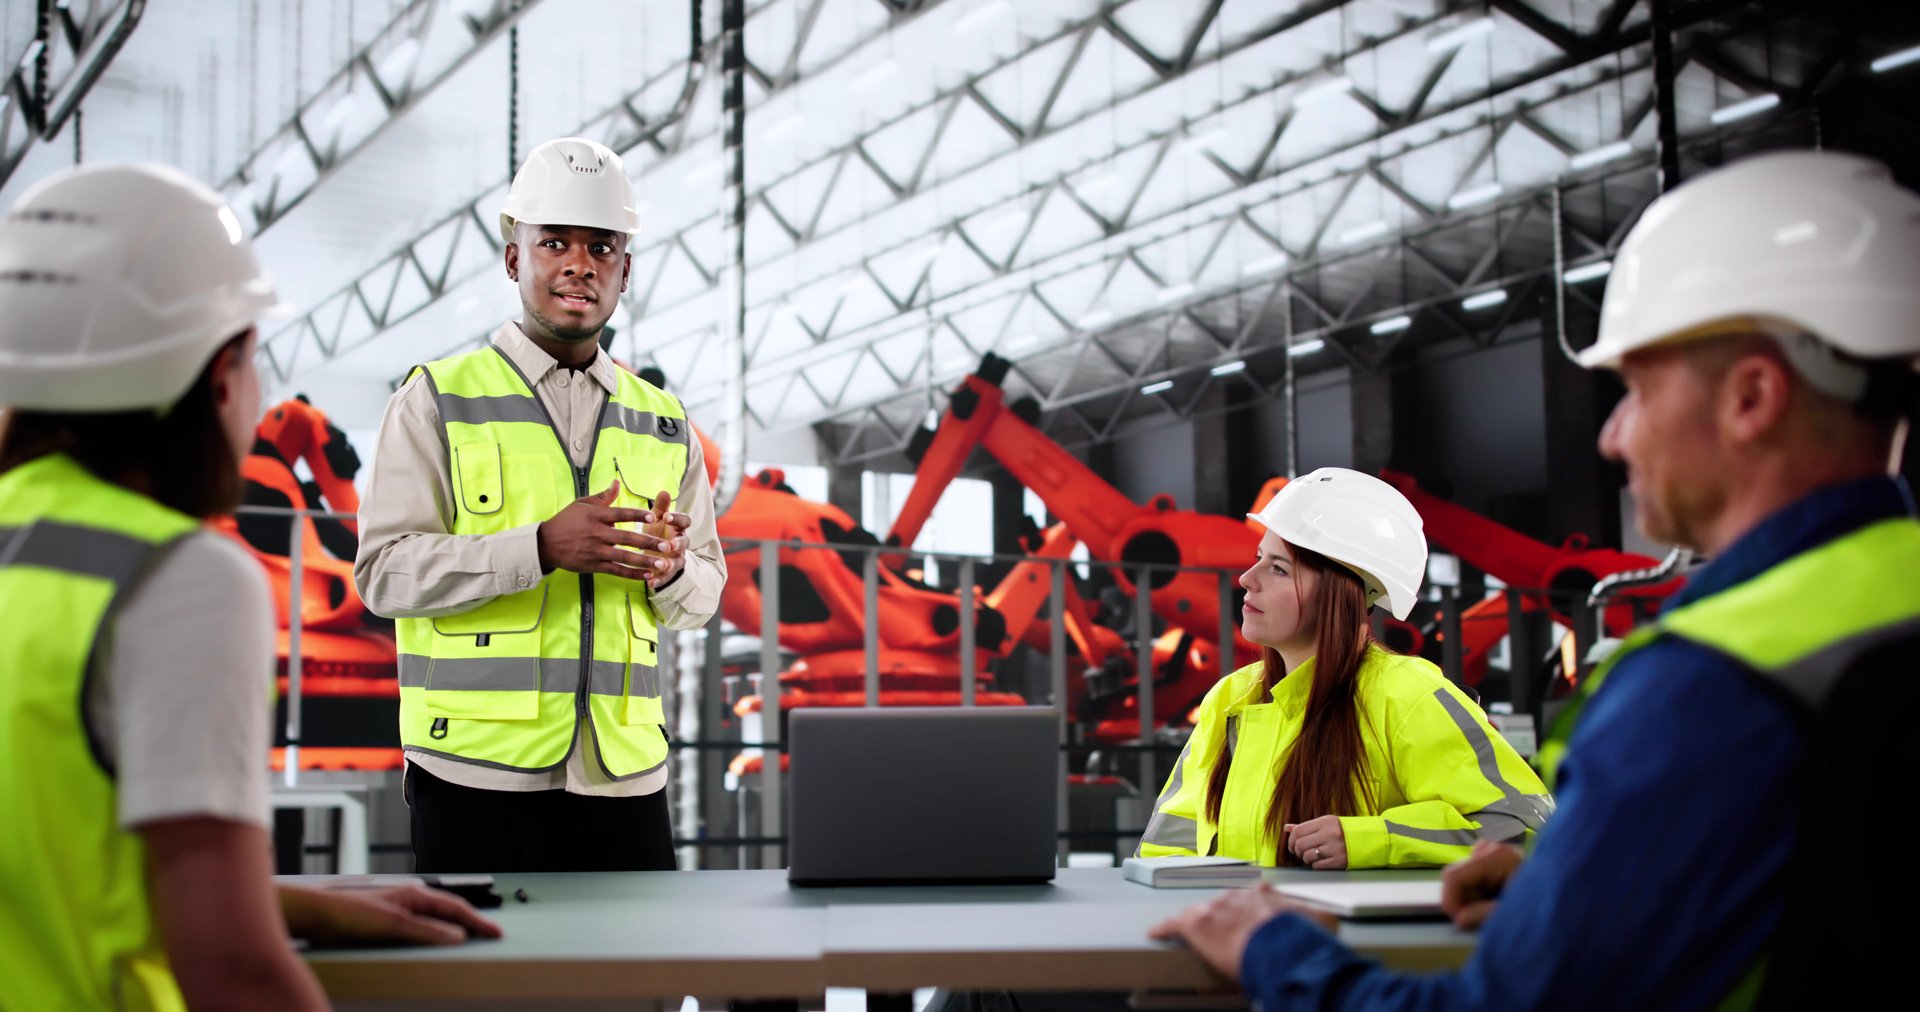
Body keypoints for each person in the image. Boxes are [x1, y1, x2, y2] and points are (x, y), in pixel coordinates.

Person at [1149, 151, 1920, 1008]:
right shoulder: (1871, 612)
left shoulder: (1712, 681)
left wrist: (1274, 952)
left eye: (1633, 389)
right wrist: (1573, 888)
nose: (1613, 436)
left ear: (1751, 398)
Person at [0, 163, 499, 1011]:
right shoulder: (175, 578)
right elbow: (231, 971)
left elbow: (58, 872)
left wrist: (306, 906)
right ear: (220, 372)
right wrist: (256, 921)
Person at [355, 136, 725, 873]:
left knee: (639, 991)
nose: (579, 263)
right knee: (488, 993)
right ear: (514, 259)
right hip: (475, 779)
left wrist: (669, 573)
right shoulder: (437, 398)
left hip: (625, 779)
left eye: (602, 246)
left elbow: (705, 594)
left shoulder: (665, 421)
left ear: (625, 269)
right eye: (554, 241)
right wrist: (539, 549)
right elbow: (384, 576)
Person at [1136, 468, 1552, 869]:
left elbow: (1525, 827)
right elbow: (1163, 849)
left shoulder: (1407, 694)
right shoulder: (1229, 699)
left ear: (1340, 593)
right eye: (1258, 558)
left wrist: (1374, 839)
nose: (1247, 578)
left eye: (1278, 568)